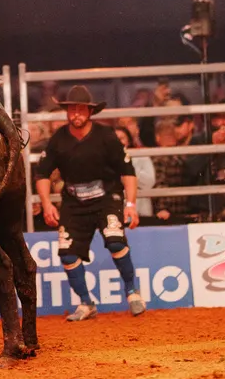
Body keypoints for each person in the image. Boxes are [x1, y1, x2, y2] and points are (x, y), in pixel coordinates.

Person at [34, 85, 145, 321]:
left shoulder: (106, 136)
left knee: (115, 242)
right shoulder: (58, 140)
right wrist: (46, 203)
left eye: (81, 109)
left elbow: (127, 171)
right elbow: (42, 173)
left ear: (90, 112)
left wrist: (131, 205)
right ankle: (86, 303)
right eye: (72, 109)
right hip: (74, 202)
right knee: (66, 253)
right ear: (66, 112)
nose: (76, 114)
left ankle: (132, 292)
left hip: (107, 197)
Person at [114, 125, 154, 219]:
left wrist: (128, 173)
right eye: (115, 139)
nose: (118, 142)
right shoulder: (104, 159)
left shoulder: (141, 157)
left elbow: (149, 182)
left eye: (121, 138)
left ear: (128, 141)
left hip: (141, 210)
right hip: (114, 211)